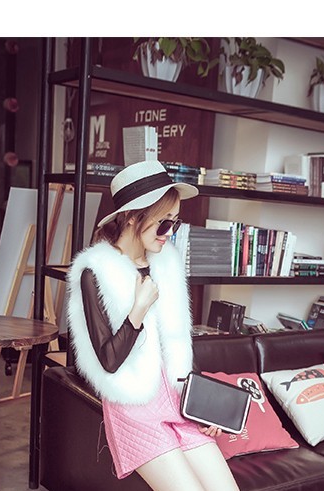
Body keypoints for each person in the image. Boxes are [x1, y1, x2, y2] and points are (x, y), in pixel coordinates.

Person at [65, 160, 240, 491]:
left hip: (178, 401)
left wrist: (202, 407)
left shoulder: (167, 262)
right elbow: (108, 360)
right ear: (133, 217)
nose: (169, 233)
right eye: (163, 224)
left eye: (175, 223)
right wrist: (139, 309)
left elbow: (178, 343)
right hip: (134, 407)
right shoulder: (96, 271)